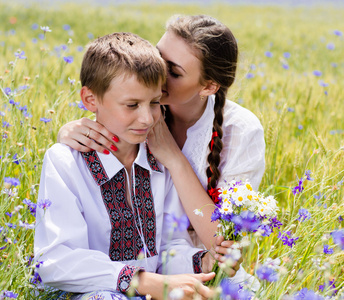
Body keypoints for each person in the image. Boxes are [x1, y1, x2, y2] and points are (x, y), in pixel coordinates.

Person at [57, 15, 265, 290]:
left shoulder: (240, 131)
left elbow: (222, 244)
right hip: (131, 270)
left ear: (208, 86)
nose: (156, 73)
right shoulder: (144, 112)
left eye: (175, 72)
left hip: (199, 267)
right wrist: (69, 131)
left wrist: (175, 161)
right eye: (158, 57)